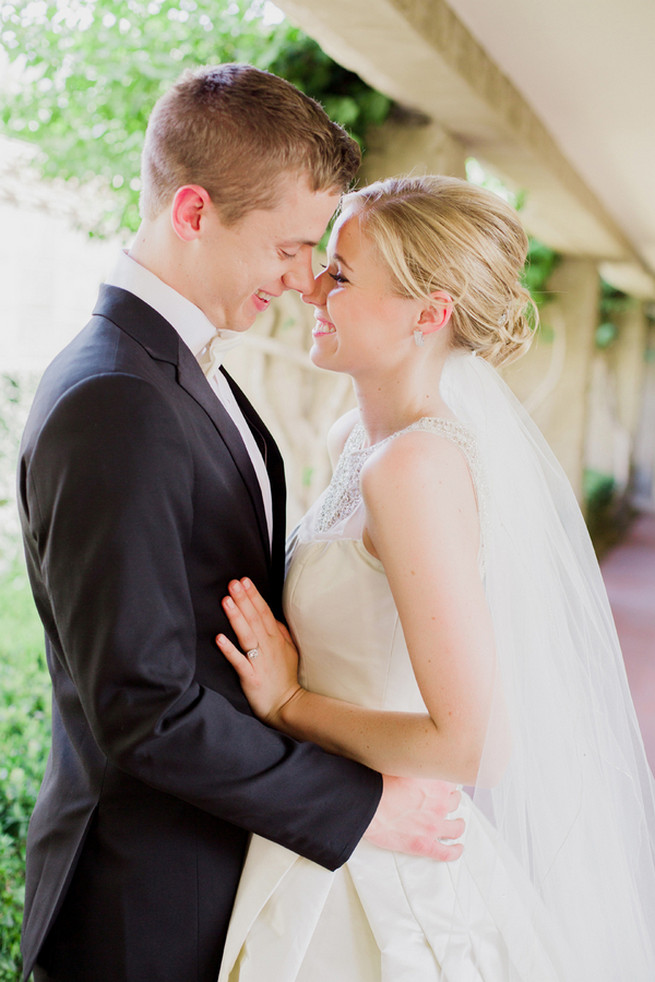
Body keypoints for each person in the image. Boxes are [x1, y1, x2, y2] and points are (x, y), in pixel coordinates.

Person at [17, 69, 464, 982]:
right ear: (191, 212)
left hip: (224, 866)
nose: (305, 279)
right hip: (145, 900)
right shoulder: (116, 395)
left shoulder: (181, 367)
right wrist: (356, 805)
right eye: (292, 247)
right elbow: (140, 705)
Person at [217, 174, 655, 981]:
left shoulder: (414, 467)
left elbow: (468, 743)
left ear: (429, 314)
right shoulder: (360, 436)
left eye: (342, 275)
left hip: (382, 859)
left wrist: (288, 705)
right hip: (330, 827)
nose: (312, 284)